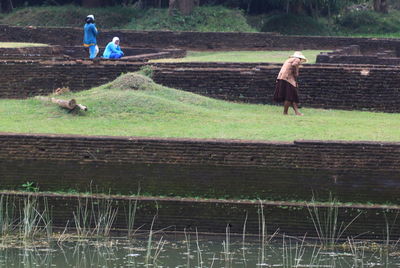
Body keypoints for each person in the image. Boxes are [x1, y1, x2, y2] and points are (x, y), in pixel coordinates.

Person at [273, 51, 307, 116]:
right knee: (289, 96)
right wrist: (296, 72)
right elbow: (294, 65)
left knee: (292, 96)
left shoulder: (289, 60)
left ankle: (297, 112)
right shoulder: (296, 59)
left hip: (282, 78)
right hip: (287, 79)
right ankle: (285, 113)